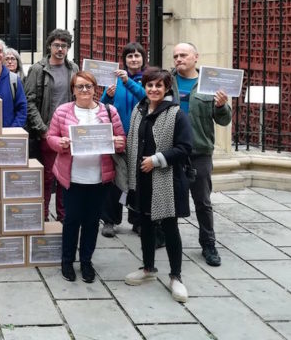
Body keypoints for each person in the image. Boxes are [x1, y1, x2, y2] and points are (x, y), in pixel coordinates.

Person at [46, 71, 126, 283]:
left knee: (91, 222)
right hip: (72, 177)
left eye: (88, 86)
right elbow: (51, 137)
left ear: (95, 89)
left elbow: (121, 139)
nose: (84, 90)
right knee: (71, 221)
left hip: (99, 178)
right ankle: (67, 261)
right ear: (73, 90)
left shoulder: (108, 111)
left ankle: (86, 261)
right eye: (79, 86)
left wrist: (119, 143)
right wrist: (60, 143)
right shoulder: (63, 111)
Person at [124, 68, 193, 303]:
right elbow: (132, 138)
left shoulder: (176, 114)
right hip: (141, 178)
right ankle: (148, 268)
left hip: (166, 180)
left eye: (158, 86)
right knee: (145, 225)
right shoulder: (139, 109)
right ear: (144, 87)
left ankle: (176, 276)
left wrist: (156, 160)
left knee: (170, 227)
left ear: (166, 88)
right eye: (150, 85)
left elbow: (185, 148)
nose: (153, 89)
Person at [171, 42, 231, 267]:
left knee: (202, 202)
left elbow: (224, 120)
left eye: (183, 55)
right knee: (169, 199)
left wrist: (221, 106)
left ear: (195, 57)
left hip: (199, 151)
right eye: (176, 56)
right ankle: (164, 236)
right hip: (172, 150)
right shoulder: (166, 81)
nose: (179, 59)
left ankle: (208, 243)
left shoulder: (209, 84)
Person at [24, 28, 80, 221]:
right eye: (57, 45)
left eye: (64, 46)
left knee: (66, 177)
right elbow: (29, 101)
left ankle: (63, 217)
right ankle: (43, 215)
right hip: (48, 131)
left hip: (69, 130)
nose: (60, 49)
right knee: (47, 176)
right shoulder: (38, 70)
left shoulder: (73, 69)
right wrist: (43, 129)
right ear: (49, 46)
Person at [99, 42, 147, 237]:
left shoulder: (149, 79)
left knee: (138, 182)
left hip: (141, 138)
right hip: (118, 137)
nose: (133, 59)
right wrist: (108, 96)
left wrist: (128, 82)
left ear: (143, 58)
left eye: (137, 55)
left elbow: (146, 98)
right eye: (129, 56)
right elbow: (102, 107)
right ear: (124, 60)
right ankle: (110, 220)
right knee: (115, 181)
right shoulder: (115, 80)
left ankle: (138, 221)